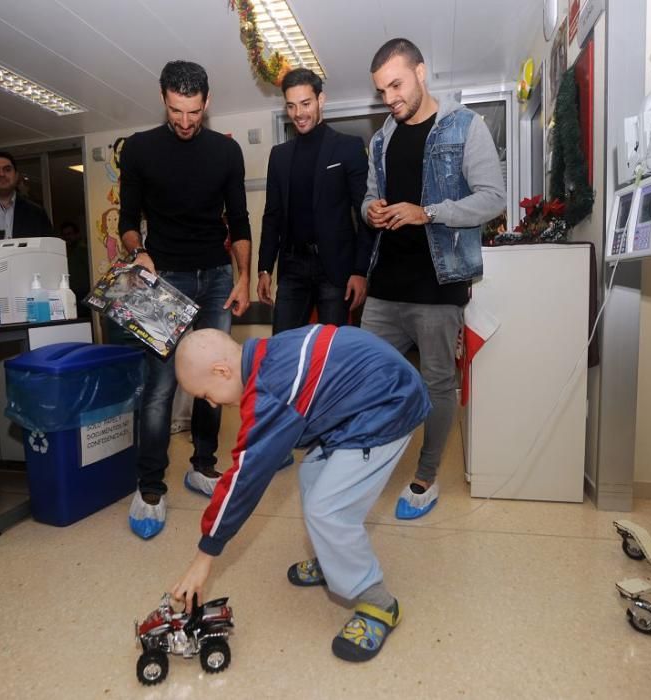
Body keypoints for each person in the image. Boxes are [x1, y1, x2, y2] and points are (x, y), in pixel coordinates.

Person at [169, 325, 430, 662]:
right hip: (362, 400)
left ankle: (379, 603)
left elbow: (244, 478)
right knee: (311, 473)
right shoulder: (264, 354)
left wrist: (205, 556)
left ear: (222, 371)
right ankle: (333, 558)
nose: (213, 404)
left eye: (206, 395)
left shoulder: (269, 391)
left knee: (328, 510)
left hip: (389, 405)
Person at [362, 38, 506, 520]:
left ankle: (425, 477)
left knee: (438, 383)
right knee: (366, 376)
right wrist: (372, 210)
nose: (391, 99)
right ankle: (367, 464)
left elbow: (492, 199)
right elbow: (368, 196)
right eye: (383, 91)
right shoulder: (381, 138)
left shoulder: (466, 127)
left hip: (437, 283)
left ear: (421, 72)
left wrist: (429, 213)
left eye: (397, 85)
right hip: (384, 285)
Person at [119, 60, 252, 539]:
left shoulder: (225, 153)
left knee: (214, 378)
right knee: (159, 387)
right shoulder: (138, 149)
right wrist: (140, 253)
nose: (185, 121)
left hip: (216, 276)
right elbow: (127, 219)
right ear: (163, 99)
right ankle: (150, 485)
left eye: (194, 111)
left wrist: (242, 277)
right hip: (162, 279)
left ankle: (201, 465)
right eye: (176, 110)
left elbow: (239, 220)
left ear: (207, 102)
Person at [257, 68, 372, 333]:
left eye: (306, 103)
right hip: (292, 267)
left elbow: (364, 212)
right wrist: (264, 267)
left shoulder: (349, 147)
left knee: (331, 352)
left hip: (334, 269)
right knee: (283, 348)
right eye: (291, 106)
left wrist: (360, 270)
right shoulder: (279, 155)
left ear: (321, 100)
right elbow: (272, 215)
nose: (299, 113)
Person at [58, 221, 90, 317]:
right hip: (72, 293)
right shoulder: (65, 252)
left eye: (70, 234)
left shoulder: (84, 250)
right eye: (65, 235)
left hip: (84, 293)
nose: (67, 237)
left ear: (77, 234)